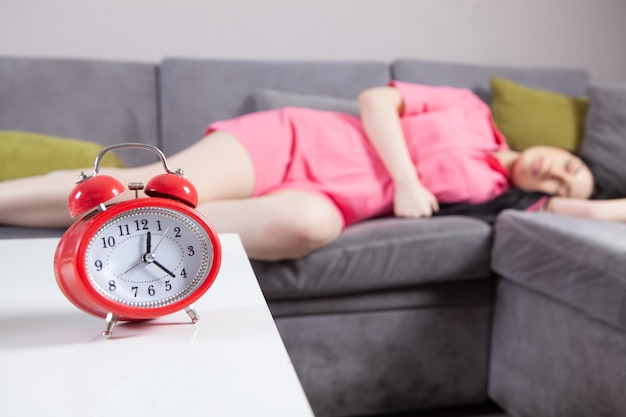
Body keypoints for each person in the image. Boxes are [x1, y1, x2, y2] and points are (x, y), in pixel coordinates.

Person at [0, 81, 624, 261]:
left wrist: (590, 198)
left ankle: (119, 224)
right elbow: (377, 102)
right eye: (568, 166)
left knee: (308, 226)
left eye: (560, 184)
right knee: (154, 185)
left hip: (326, 196)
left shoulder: (492, 194)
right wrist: (407, 181)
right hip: (290, 141)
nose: (556, 174)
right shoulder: (470, 109)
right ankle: (118, 209)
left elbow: (596, 211)